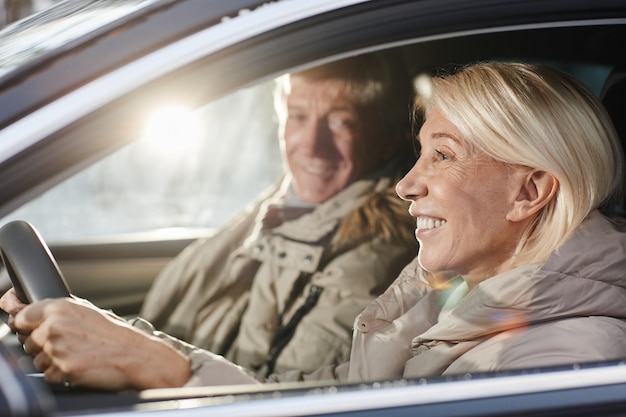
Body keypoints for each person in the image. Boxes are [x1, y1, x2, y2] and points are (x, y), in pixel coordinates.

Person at [2, 61, 626, 391]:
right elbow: (295, 401)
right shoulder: (440, 309)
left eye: (442, 154)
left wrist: (165, 370)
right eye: (419, 152)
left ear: (530, 191)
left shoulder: (563, 360)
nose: (406, 185)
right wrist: (131, 345)